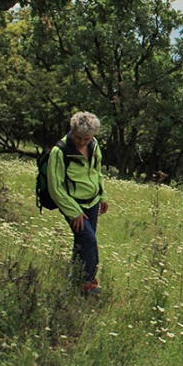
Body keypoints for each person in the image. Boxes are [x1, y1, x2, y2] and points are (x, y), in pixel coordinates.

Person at [47, 111, 109, 296]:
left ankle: (75, 282)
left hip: (93, 203)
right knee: (89, 241)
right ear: (71, 131)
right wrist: (73, 211)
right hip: (74, 206)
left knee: (82, 243)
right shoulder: (60, 151)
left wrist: (103, 195)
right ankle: (89, 285)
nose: (82, 142)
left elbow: (97, 171)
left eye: (87, 138)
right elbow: (55, 187)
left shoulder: (94, 145)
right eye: (79, 138)